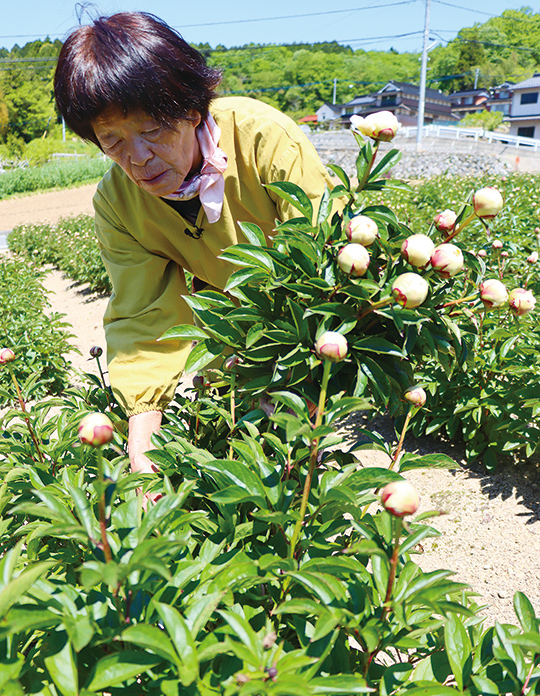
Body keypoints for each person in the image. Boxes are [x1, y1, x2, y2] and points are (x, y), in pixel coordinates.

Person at [54, 12, 337, 476]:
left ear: (192, 109)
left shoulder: (261, 137)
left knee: (303, 443)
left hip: (308, 316)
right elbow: (144, 319)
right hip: (226, 315)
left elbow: (325, 249)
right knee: (239, 432)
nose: (138, 158)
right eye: (113, 141)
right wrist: (141, 453)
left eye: (153, 130)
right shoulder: (118, 203)